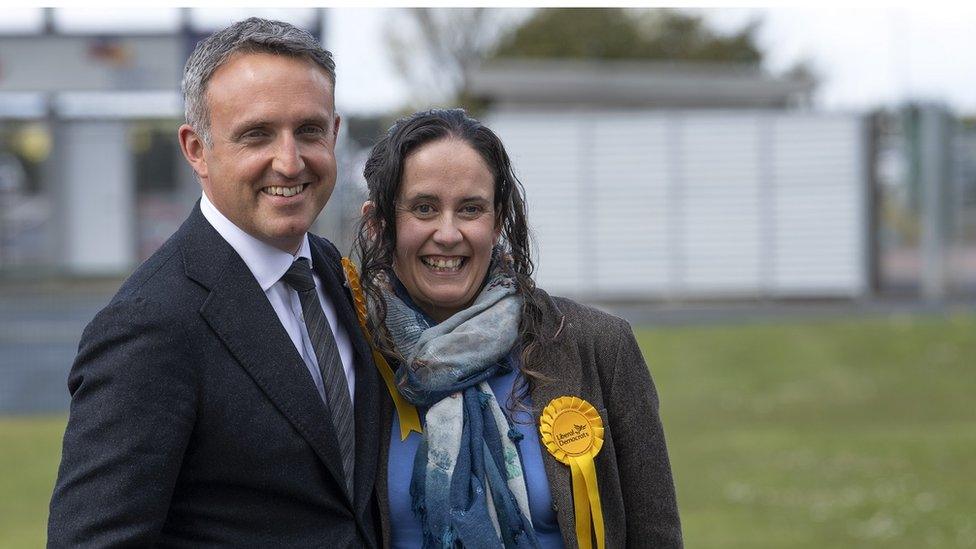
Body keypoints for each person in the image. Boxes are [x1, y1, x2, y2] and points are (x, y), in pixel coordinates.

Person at [48, 18, 381, 547]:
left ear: (335, 134)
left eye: (310, 131)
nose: (290, 161)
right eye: (257, 134)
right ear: (196, 149)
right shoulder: (149, 325)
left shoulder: (335, 275)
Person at [352, 109, 682, 548]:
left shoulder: (598, 346)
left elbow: (655, 534)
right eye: (424, 208)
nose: (448, 234)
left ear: (498, 220)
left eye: (470, 209)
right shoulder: (352, 353)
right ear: (378, 224)